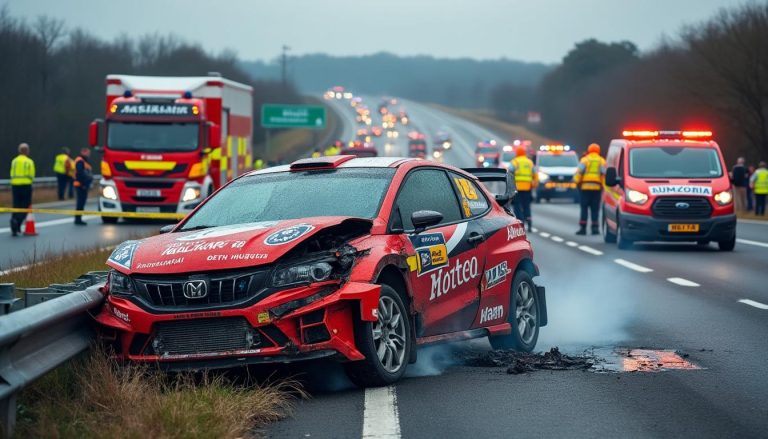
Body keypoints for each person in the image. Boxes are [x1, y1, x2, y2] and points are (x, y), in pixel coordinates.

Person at [574, 143, 606, 235]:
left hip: (585, 188)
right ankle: (595, 228)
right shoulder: (601, 161)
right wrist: (604, 187)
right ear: (598, 150)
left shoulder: (585, 160)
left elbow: (579, 173)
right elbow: (604, 173)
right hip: (597, 188)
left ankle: (583, 228)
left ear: (589, 150)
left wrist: (576, 182)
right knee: (595, 208)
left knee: (584, 208)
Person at [9, 143, 35, 236]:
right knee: (25, 206)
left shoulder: (14, 161)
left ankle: (14, 224)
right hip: (26, 185)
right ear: (27, 151)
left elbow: (11, 173)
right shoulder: (29, 161)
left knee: (16, 205)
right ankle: (17, 221)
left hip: (15, 185)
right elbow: (32, 175)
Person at [509, 145, 537, 231]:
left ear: (517, 153)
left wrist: (510, 186)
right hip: (528, 188)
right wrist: (533, 185)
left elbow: (509, 174)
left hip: (517, 188)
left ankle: (520, 223)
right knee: (526, 205)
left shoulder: (514, 162)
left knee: (517, 205)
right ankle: (529, 220)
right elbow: (535, 175)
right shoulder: (529, 162)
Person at [73, 147, 93, 226]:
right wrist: (84, 184)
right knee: (80, 203)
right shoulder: (80, 161)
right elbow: (80, 174)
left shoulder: (83, 161)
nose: (89, 155)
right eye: (88, 153)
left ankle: (79, 218)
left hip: (82, 185)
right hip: (81, 185)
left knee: (81, 202)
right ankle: (78, 219)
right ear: (83, 152)